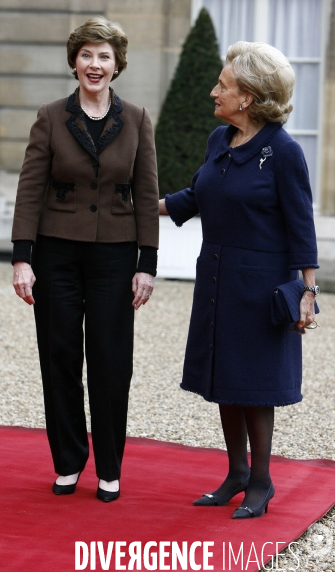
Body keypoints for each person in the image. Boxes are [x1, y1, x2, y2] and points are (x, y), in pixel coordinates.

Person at [159, 41, 319, 519]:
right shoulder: (218, 140)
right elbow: (199, 194)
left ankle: (262, 482)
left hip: (262, 284)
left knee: (254, 385)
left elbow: (301, 225)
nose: (213, 92)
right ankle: (236, 473)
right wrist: (144, 207)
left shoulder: (284, 152)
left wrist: (308, 291)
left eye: (223, 85)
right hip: (216, 278)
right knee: (224, 379)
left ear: (247, 96)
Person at [11, 17, 159, 502]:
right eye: (87, 55)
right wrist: (22, 256)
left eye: (104, 56)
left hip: (115, 258)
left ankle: (110, 467)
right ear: (74, 61)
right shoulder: (51, 116)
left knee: (111, 361)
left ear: (117, 65)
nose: (95, 65)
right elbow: (30, 187)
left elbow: (146, 191)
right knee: (60, 358)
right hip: (55, 254)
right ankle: (69, 461)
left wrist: (147, 262)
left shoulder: (136, 119)